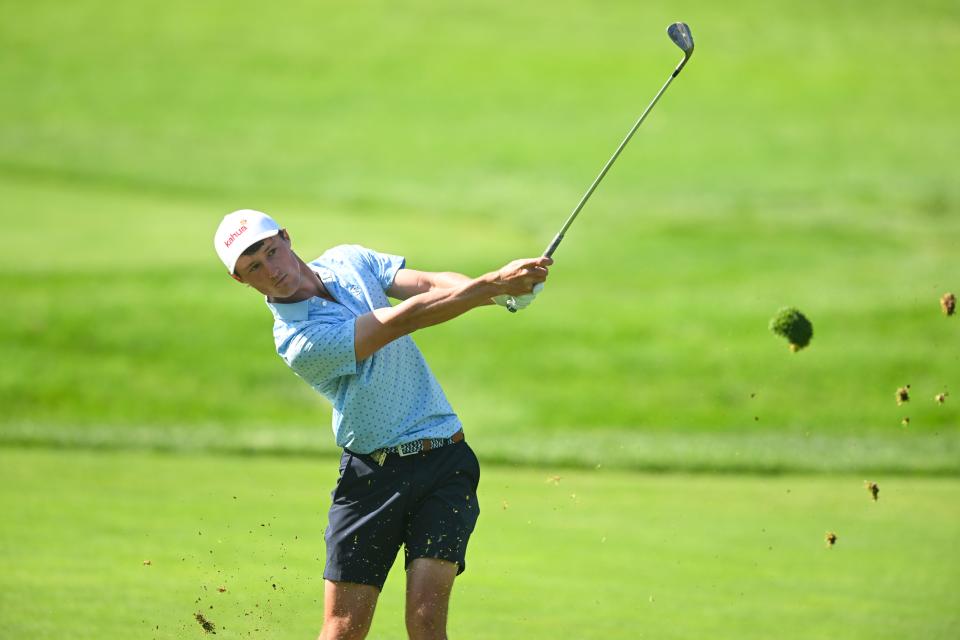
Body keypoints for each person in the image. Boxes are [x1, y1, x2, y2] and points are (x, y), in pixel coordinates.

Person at [213, 209, 550, 640]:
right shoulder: (298, 341)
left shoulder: (347, 260)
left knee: (426, 624)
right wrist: (492, 285)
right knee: (344, 630)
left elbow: (428, 286)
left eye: (272, 252)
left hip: (445, 458)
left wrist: (502, 293)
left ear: (286, 237)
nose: (273, 271)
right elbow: (401, 320)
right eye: (254, 267)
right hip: (372, 478)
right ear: (241, 280)